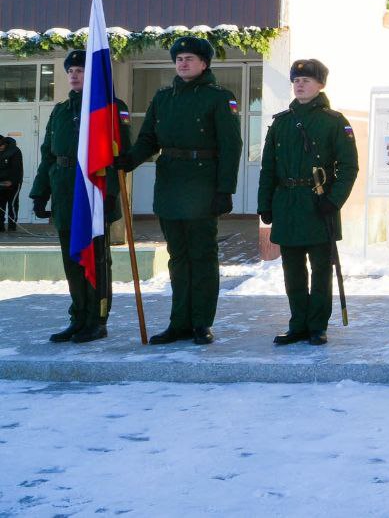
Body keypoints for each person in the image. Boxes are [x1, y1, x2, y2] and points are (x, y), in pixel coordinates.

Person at [116, 36, 241, 345]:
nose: (183, 63)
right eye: (179, 59)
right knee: (178, 257)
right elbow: (148, 139)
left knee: (202, 256)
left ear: (204, 64)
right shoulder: (163, 98)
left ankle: (201, 322)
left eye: (190, 59)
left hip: (202, 186)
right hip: (170, 185)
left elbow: (231, 146)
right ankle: (179, 322)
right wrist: (128, 161)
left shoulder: (219, 97)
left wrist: (225, 189)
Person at [28, 50, 133, 343]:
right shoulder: (60, 111)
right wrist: (40, 193)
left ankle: (97, 319)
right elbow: (49, 155)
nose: (74, 75)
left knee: (96, 259)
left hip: (94, 192)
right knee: (73, 257)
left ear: (93, 75)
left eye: (80, 70)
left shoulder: (110, 108)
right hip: (64, 192)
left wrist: (110, 193)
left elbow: (120, 157)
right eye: (71, 71)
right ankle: (78, 317)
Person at [258, 59, 358, 346]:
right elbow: (268, 168)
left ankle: (317, 325)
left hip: (318, 204)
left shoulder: (334, 121)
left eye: (307, 80)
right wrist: (265, 204)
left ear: (320, 85)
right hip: (287, 205)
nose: (300, 85)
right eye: (296, 80)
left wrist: (334, 200)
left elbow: (348, 167)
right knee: (292, 270)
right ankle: (298, 324)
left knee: (321, 269)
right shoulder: (281, 122)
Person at [0, 135, 21, 231]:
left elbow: (17, 169)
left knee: (12, 205)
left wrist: (12, 181)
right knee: (1, 205)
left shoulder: (15, 151)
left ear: (4, 144)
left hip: (13, 184)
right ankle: (0, 227)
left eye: (1, 146)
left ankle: (12, 226)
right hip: (1, 182)